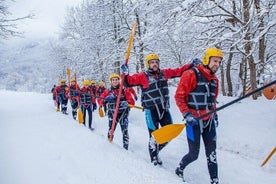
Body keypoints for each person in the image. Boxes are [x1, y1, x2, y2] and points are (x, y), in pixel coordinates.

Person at [121, 53, 193, 165]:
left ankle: (156, 150)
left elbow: (179, 71)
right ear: (148, 64)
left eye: (156, 62)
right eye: (152, 62)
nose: (154, 64)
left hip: (164, 109)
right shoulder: (142, 76)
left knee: (168, 134)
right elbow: (128, 82)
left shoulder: (164, 73)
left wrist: (191, 65)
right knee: (153, 136)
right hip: (151, 111)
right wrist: (125, 74)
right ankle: (154, 159)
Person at [174, 47, 223, 184]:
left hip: (209, 121)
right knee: (194, 154)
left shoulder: (215, 80)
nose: (217, 65)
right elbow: (179, 97)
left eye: (219, 62)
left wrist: (215, 115)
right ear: (207, 59)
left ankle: (215, 181)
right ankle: (180, 168)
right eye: (214, 61)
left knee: (212, 154)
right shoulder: (190, 74)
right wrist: (186, 114)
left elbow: (211, 100)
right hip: (193, 122)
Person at [98, 73, 135, 150]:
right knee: (111, 130)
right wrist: (105, 100)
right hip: (112, 113)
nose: (115, 81)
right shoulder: (107, 91)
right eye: (113, 80)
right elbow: (99, 100)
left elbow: (132, 101)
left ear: (119, 80)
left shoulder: (124, 90)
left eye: (116, 80)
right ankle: (109, 143)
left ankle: (125, 148)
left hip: (123, 114)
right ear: (111, 81)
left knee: (125, 131)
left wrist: (127, 103)